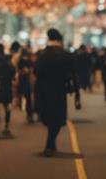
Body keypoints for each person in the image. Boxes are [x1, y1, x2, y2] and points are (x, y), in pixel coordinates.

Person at [34, 29, 80, 157]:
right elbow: (73, 75)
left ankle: (50, 143)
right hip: (60, 90)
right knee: (58, 118)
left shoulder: (42, 55)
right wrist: (77, 94)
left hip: (44, 90)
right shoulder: (66, 55)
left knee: (47, 117)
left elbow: (36, 72)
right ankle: (51, 142)